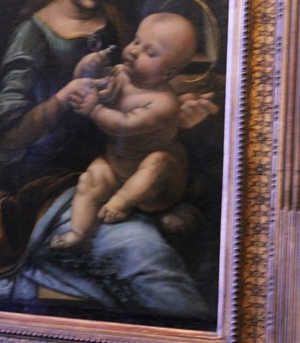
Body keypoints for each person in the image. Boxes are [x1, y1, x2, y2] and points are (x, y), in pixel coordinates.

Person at [0, 0, 218, 321]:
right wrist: (63, 98)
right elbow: (4, 137)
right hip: (52, 183)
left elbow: (143, 83)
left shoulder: (113, 21)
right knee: (146, 259)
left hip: (122, 166)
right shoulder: (32, 35)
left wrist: (178, 109)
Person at [51, 12, 197, 250]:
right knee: (89, 181)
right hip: (115, 166)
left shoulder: (163, 102)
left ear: (168, 73)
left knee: (158, 162)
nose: (134, 51)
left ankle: (122, 202)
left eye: (150, 52)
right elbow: (92, 87)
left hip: (157, 186)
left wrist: (94, 109)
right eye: (136, 41)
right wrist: (87, 69)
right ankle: (78, 234)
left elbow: (124, 125)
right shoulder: (120, 73)